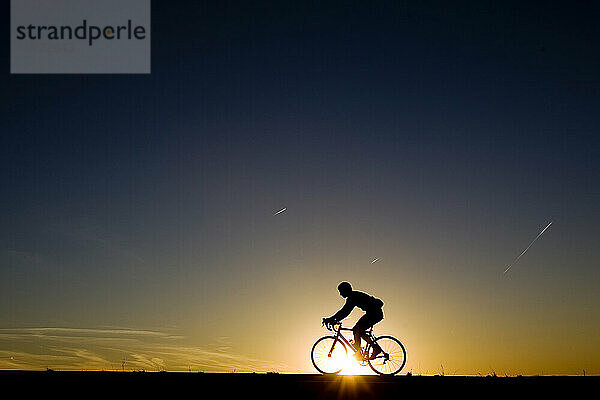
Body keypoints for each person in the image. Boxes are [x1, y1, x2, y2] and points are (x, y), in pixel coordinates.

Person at [322, 281, 384, 360]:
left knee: (357, 329)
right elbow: (344, 311)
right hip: (373, 313)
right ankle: (362, 349)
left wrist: (332, 319)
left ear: (345, 290)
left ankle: (370, 349)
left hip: (375, 314)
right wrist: (332, 319)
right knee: (358, 330)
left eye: (341, 292)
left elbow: (345, 312)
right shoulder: (353, 296)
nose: (340, 294)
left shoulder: (353, 297)